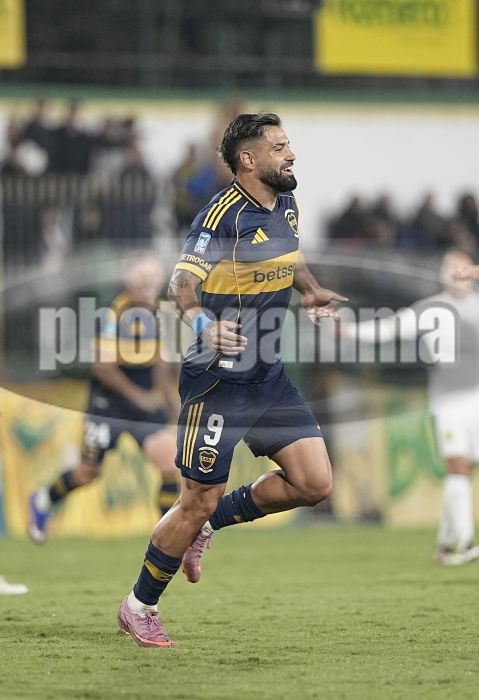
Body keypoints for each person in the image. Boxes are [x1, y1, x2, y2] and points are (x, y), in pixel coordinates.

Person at [117, 112, 348, 648]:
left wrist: (310, 289)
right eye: (280, 147)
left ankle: (210, 524)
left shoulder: (286, 203)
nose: (291, 154)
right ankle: (139, 606)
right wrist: (204, 326)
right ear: (249, 160)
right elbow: (181, 285)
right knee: (195, 499)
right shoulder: (220, 216)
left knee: (314, 483)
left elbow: (290, 254)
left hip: (268, 376)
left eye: (289, 144)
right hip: (216, 381)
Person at [28, 255, 180, 543]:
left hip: (144, 407)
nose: (147, 284)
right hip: (107, 405)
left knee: (169, 464)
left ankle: (170, 542)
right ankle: (42, 499)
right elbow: (102, 366)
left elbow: (161, 362)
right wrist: (139, 396)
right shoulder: (112, 313)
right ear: (128, 281)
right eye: (142, 278)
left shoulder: (160, 314)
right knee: (88, 472)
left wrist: (171, 400)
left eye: (152, 278)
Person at [342, 248, 479, 566]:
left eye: (460, 267)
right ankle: (464, 542)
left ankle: (446, 544)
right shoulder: (431, 309)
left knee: (464, 472)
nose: (454, 273)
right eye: (448, 267)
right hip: (448, 400)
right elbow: (389, 329)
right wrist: (349, 330)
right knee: (457, 467)